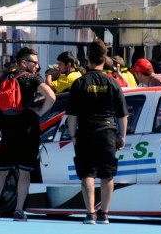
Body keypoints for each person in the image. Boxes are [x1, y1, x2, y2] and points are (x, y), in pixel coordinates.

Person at [0, 47, 56, 222]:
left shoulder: (2, 78)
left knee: (1, 170)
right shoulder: (33, 78)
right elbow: (51, 97)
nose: (37, 65)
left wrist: (1, 122)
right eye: (34, 62)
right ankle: (18, 210)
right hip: (27, 129)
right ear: (24, 63)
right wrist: (40, 113)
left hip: (8, 130)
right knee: (24, 172)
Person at [66, 39, 129, 225]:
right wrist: (122, 136)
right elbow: (122, 114)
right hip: (108, 131)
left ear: (88, 58)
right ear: (105, 58)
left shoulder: (79, 83)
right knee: (107, 175)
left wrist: (73, 135)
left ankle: (90, 213)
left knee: (87, 174)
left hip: (86, 130)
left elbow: (72, 114)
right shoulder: (113, 83)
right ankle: (105, 213)